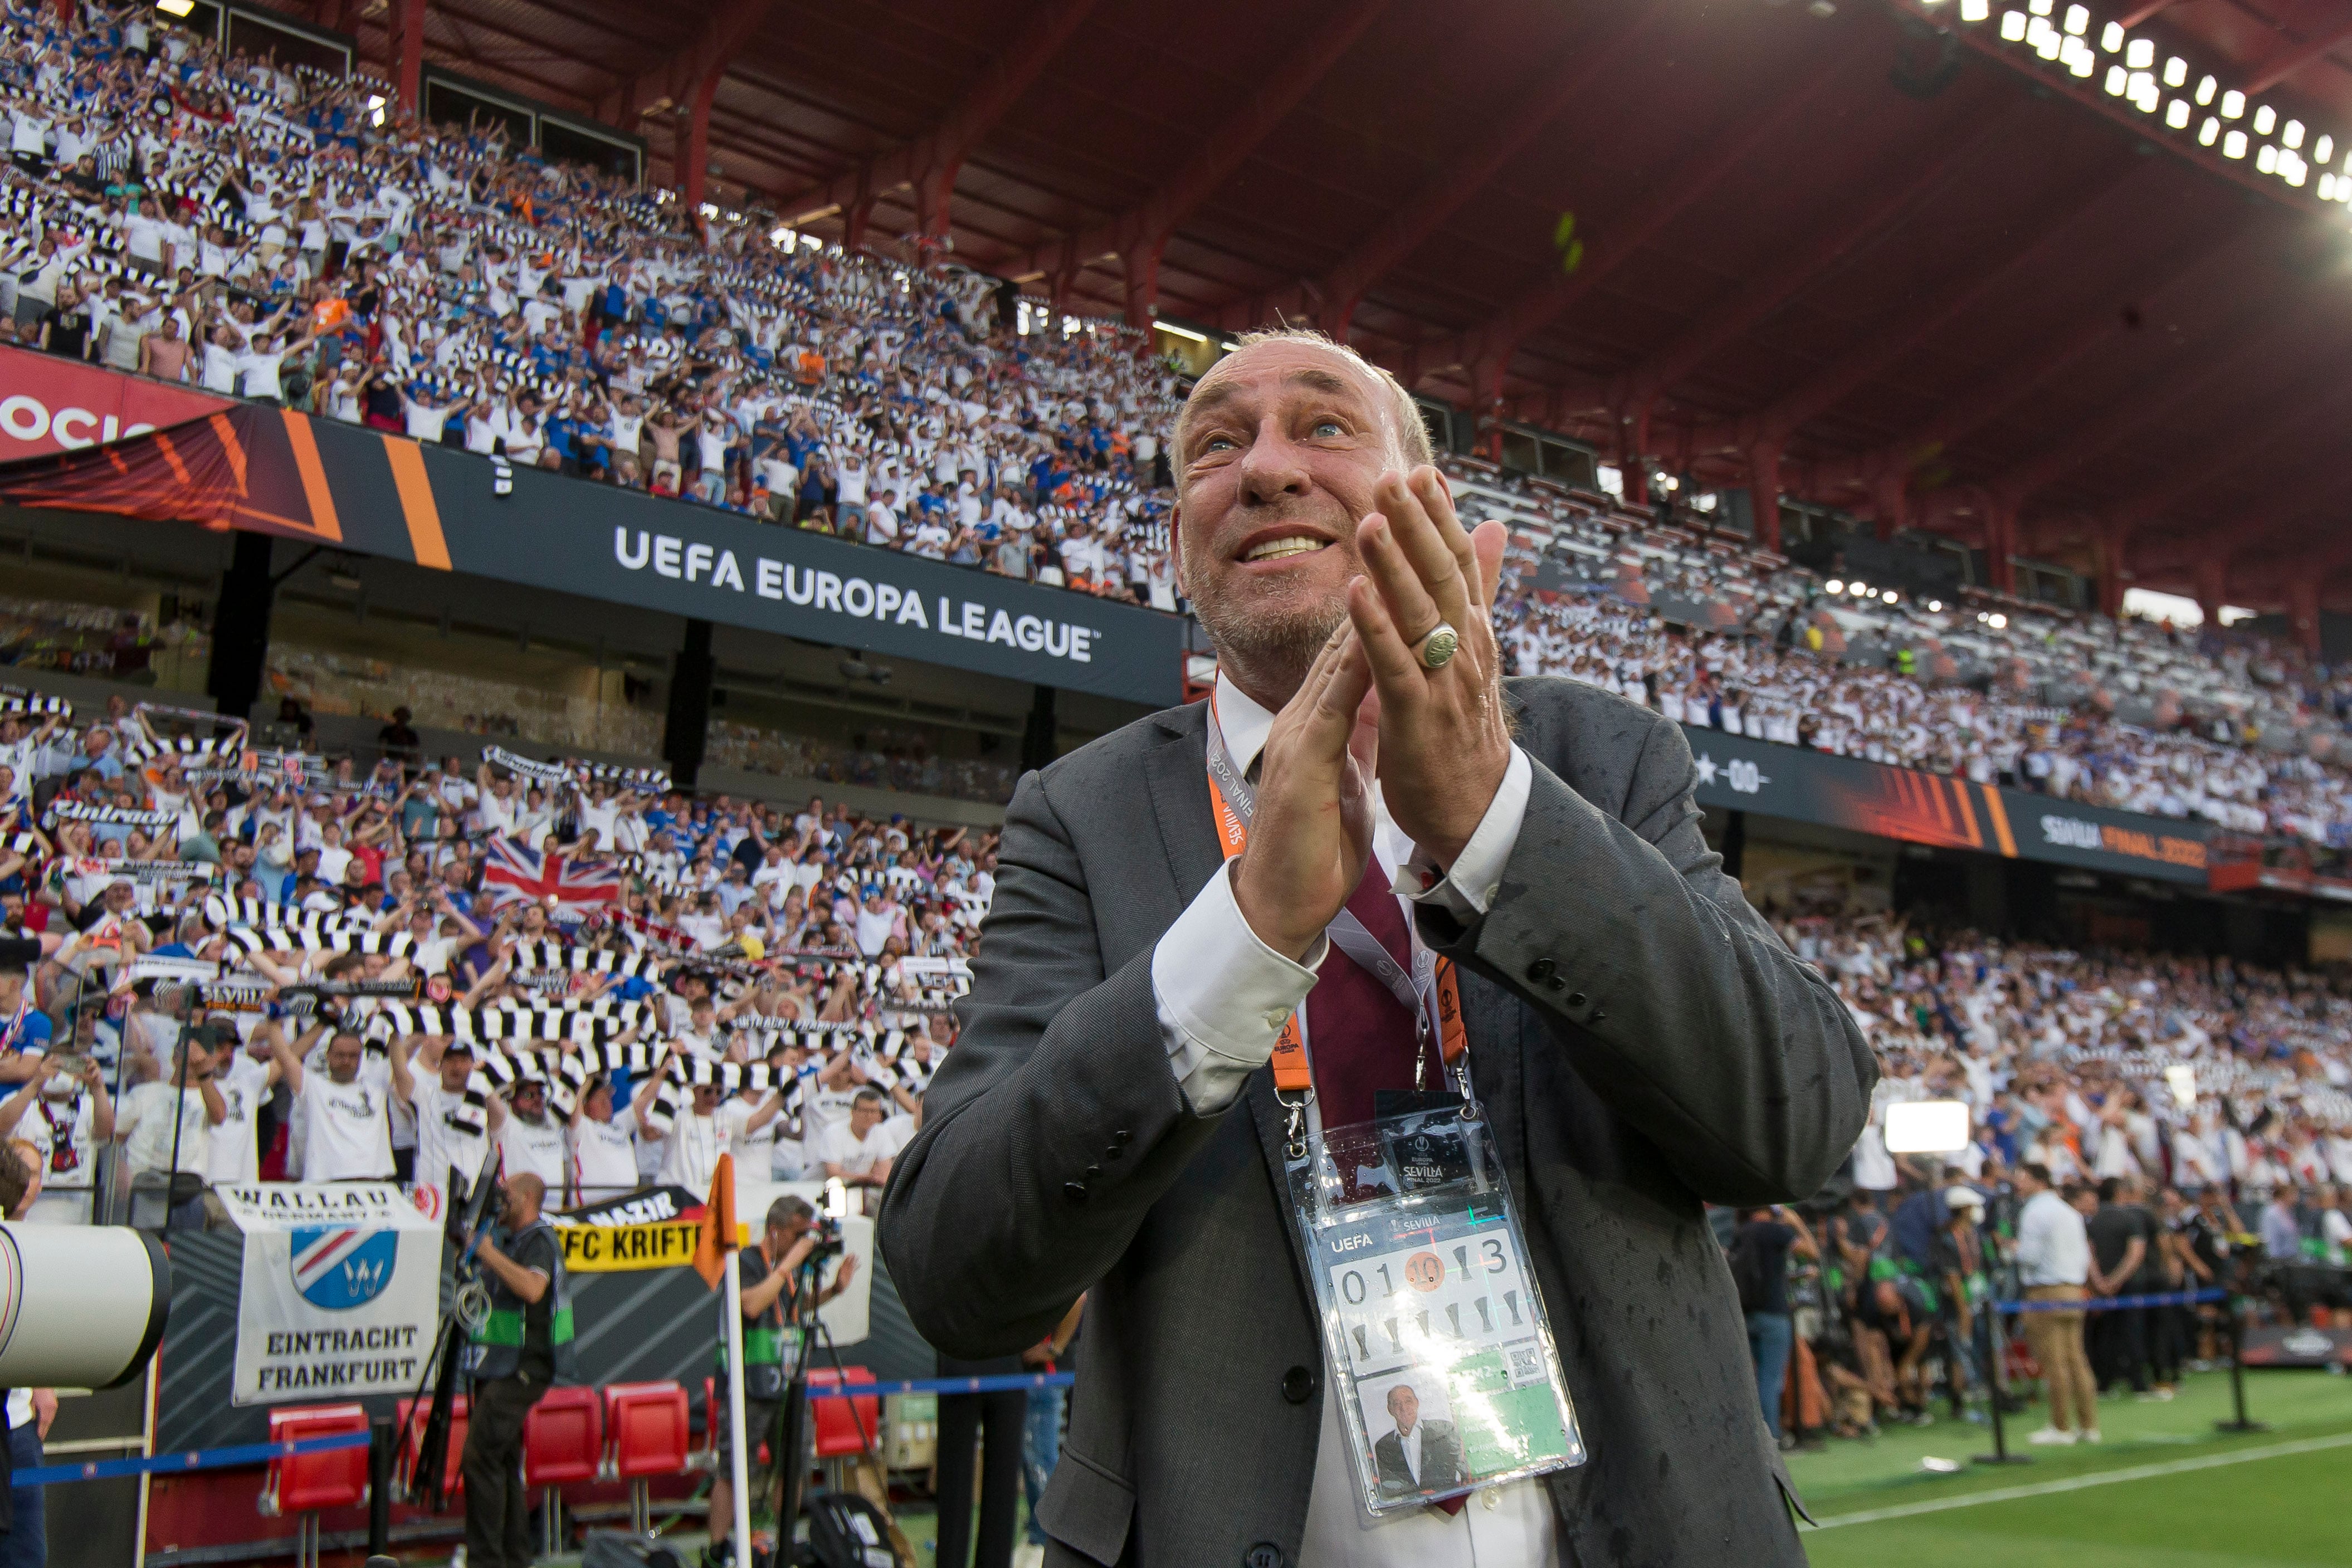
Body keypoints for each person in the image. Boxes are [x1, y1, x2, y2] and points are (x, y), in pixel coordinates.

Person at [882, 329, 1874, 1566]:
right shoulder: (1081, 817)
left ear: (1431, 510)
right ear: (1180, 541)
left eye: (1324, 425)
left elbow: (1800, 1120)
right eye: (1212, 445)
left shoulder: (1600, 762)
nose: (1264, 469)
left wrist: (1497, 822)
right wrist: (1238, 938)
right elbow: (956, 1276)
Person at [706, 1196, 857, 1568]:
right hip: (748, 1385)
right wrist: (790, 1261)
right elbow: (752, 1304)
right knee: (733, 1471)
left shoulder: (788, 1270)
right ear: (776, 1231)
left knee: (793, 1466)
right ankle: (717, 1548)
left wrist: (834, 1290)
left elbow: (793, 1305)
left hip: (788, 1381)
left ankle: (783, 1544)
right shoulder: (745, 1261)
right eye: (798, 1234)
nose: (804, 1242)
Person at [458, 1171, 573, 1568]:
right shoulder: (516, 1242)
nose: (500, 1201)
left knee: (479, 1455)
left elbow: (533, 1289)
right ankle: (513, 1558)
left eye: (506, 1195)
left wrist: (486, 1252)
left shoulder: (539, 1240)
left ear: (527, 1198)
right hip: (501, 1365)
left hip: (525, 1366)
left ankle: (487, 1560)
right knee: (502, 1461)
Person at [2014, 1162, 2099, 1445]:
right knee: (2077, 1358)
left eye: (2023, 1179)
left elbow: (2029, 1257)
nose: (2018, 1184)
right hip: (2074, 1289)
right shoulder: (2069, 1212)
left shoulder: (2035, 1211)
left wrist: (2012, 1250)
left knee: (2054, 1361)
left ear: (2039, 1181)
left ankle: (2061, 1426)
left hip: (2046, 1290)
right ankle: (2089, 1425)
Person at [1733, 1204, 1817, 1441]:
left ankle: (1753, 1436)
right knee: (1771, 1379)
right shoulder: (1775, 1231)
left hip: (1746, 1312)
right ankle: (1771, 1438)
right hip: (1773, 1314)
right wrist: (1796, 1223)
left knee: (1752, 1377)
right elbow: (1812, 1252)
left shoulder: (1742, 1232)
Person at [1372, 1381, 1464, 1499]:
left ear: (1417, 1403)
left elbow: (1462, 1471)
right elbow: (1389, 1489)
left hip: (1448, 1503)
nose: (1404, 1408)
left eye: (1408, 1401)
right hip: (1410, 1511)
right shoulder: (1383, 1446)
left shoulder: (1444, 1430)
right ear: (1390, 1410)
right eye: (1397, 1404)